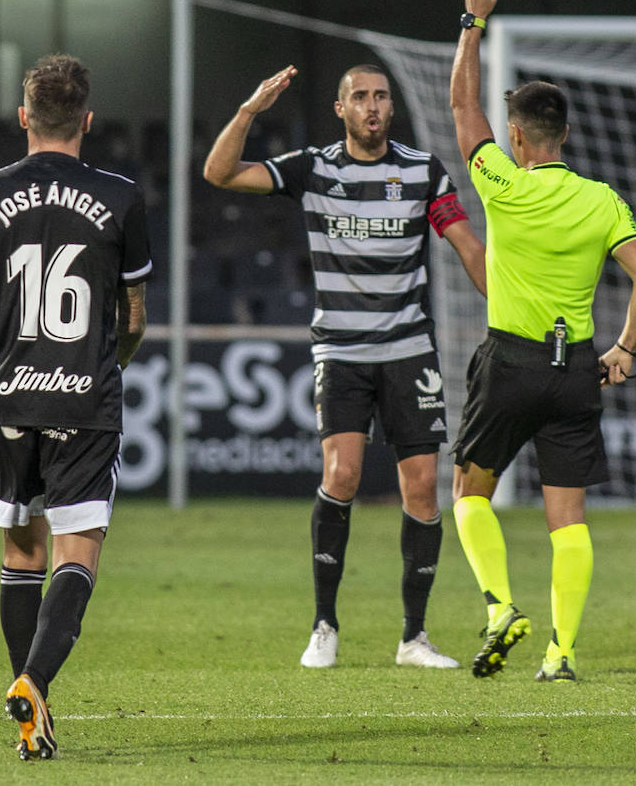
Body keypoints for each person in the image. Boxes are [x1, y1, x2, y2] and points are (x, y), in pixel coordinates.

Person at [203, 63, 487, 670]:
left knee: (420, 488)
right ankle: (324, 624)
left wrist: (515, 309)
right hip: (342, 349)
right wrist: (251, 109)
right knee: (344, 474)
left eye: (381, 96)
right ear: (341, 110)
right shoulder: (313, 168)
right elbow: (219, 172)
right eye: (360, 97)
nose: (373, 106)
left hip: (409, 349)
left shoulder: (422, 172)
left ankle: (414, 638)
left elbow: (465, 245)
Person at [0, 54, 151, 760]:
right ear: (88, 121)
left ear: (23, 117)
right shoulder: (121, 197)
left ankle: (31, 709)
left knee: (21, 550)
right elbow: (133, 315)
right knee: (80, 551)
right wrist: (115, 363)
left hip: (8, 400)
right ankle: (35, 680)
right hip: (85, 398)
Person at [448, 0, 636, 682]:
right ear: (565, 135)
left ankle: (500, 609)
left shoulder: (501, 184)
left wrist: (473, 21)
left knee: (469, 493)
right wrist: (625, 348)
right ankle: (562, 653)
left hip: (509, 363)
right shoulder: (602, 201)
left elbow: (460, 104)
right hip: (576, 373)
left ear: (517, 136)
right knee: (567, 519)